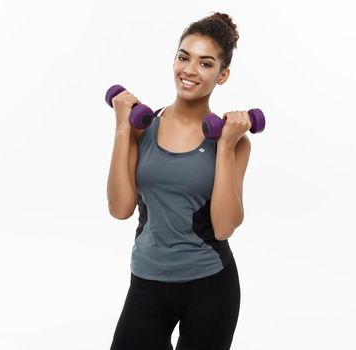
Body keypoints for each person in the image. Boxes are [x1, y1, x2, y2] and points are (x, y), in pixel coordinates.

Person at [106, 12, 251, 350]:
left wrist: (226, 145)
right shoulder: (142, 127)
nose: (189, 70)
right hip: (147, 282)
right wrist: (122, 129)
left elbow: (224, 227)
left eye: (205, 63)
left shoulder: (233, 142)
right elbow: (120, 208)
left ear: (222, 74)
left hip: (211, 286)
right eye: (184, 57)